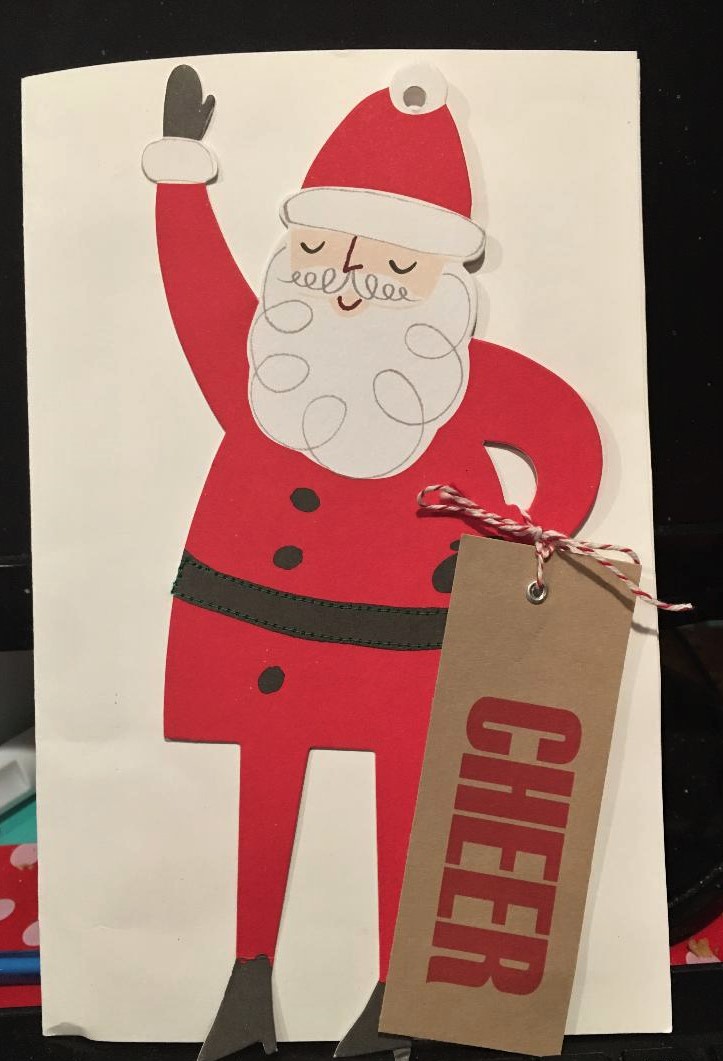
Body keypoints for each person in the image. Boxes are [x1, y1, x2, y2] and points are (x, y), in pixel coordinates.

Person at [142, 63, 602, 1061]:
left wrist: (520, 546)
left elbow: (568, 438)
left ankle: (396, 989)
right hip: (262, 611)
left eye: (394, 266)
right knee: (267, 769)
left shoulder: (460, 378)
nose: (351, 281)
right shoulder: (266, 367)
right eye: (319, 251)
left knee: (412, 781)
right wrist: (181, 184)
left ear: (441, 279)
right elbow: (199, 294)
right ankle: (247, 975)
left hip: (408, 630)